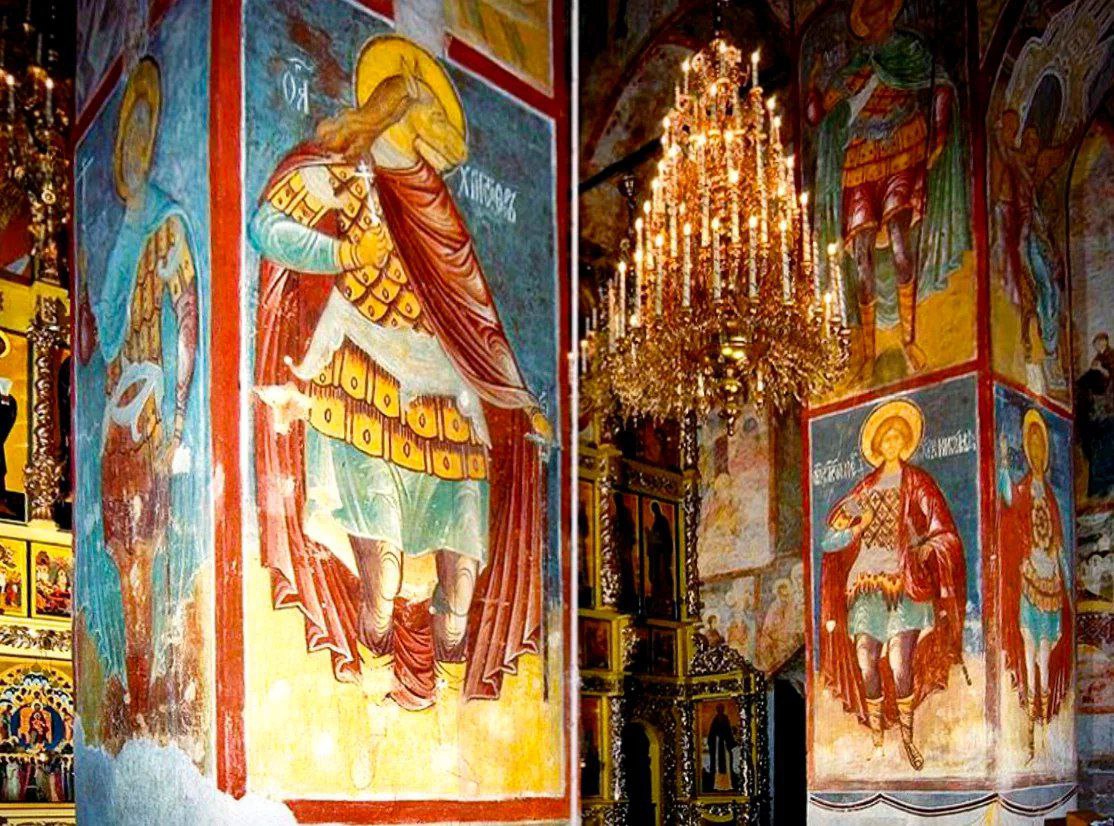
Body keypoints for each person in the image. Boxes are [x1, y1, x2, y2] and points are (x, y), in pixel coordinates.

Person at [250, 36, 550, 710]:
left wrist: (516, 393)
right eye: (431, 111)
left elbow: (473, 312)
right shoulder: (347, 172)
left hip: (446, 397)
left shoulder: (436, 203)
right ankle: (371, 679)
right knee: (380, 576)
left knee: (463, 588)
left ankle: (447, 694)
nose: (445, 128)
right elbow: (268, 228)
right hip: (365, 377)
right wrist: (340, 254)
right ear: (398, 107)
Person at [75, 57, 199, 718]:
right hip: (114, 424)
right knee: (122, 555)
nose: (133, 150)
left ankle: (148, 693)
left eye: (145, 137)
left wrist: (177, 420)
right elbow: (94, 348)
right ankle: (135, 693)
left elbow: (188, 321)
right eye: (129, 137)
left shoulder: (167, 225)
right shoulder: (121, 240)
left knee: (144, 556)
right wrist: (82, 291)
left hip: (150, 412)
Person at [808, 0, 969, 381]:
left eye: (880, 10)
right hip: (859, 158)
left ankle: (909, 339)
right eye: (868, 14)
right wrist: (813, 81)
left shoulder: (910, 50)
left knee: (899, 243)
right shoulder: (856, 66)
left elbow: (942, 85)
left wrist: (939, 132)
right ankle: (867, 354)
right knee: (861, 256)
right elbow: (818, 115)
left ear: (891, 12)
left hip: (902, 146)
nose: (875, 18)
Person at [819, 399, 966, 770]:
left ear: (906, 443)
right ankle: (876, 739)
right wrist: (858, 527)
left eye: (899, 437)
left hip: (905, 583)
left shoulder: (918, 483)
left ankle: (907, 737)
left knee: (901, 664)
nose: (892, 443)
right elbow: (830, 541)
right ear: (877, 444)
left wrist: (926, 548)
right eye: (886, 438)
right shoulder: (863, 491)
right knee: (865, 660)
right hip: (865, 584)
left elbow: (944, 532)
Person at [998, 409, 1073, 762]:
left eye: (1041, 447)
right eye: (1033, 447)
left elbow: (1058, 541)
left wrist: (1065, 577)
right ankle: (1030, 731)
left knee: (1045, 653)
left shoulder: (1053, 498)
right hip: (1029, 579)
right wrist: (1002, 464)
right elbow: (1009, 500)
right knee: (1029, 649)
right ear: (1028, 453)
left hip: (1051, 581)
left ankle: (1045, 735)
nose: (1038, 453)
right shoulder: (1025, 487)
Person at [645, 501, 675, 617]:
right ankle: (658, 600)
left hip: (662, 554)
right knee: (657, 577)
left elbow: (664, 538)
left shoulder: (662, 521)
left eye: (655, 509)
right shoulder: (657, 521)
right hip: (657, 554)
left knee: (662, 576)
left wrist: (653, 537)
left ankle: (664, 600)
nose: (654, 511)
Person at [706, 703, 737, 792]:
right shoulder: (715, 719)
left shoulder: (725, 719)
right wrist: (712, 741)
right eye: (718, 709)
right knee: (717, 764)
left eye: (721, 709)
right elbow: (711, 733)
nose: (720, 710)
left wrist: (730, 742)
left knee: (726, 764)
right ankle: (717, 785)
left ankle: (727, 785)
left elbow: (729, 732)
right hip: (717, 745)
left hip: (724, 745)